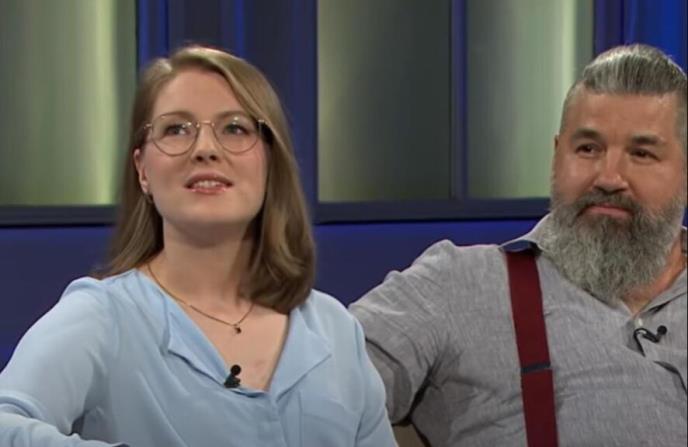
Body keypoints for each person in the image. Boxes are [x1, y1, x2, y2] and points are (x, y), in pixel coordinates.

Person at [0, 45, 396, 447]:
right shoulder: (103, 318)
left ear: (269, 162)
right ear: (142, 171)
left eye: (235, 128)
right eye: (176, 129)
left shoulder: (333, 329)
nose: (205, 148)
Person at [350, 43, 687, 446]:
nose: (609, 177)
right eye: (588, 149)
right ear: (556, 157)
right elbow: (316, 393)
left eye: (642, 153)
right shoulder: (457, 285)